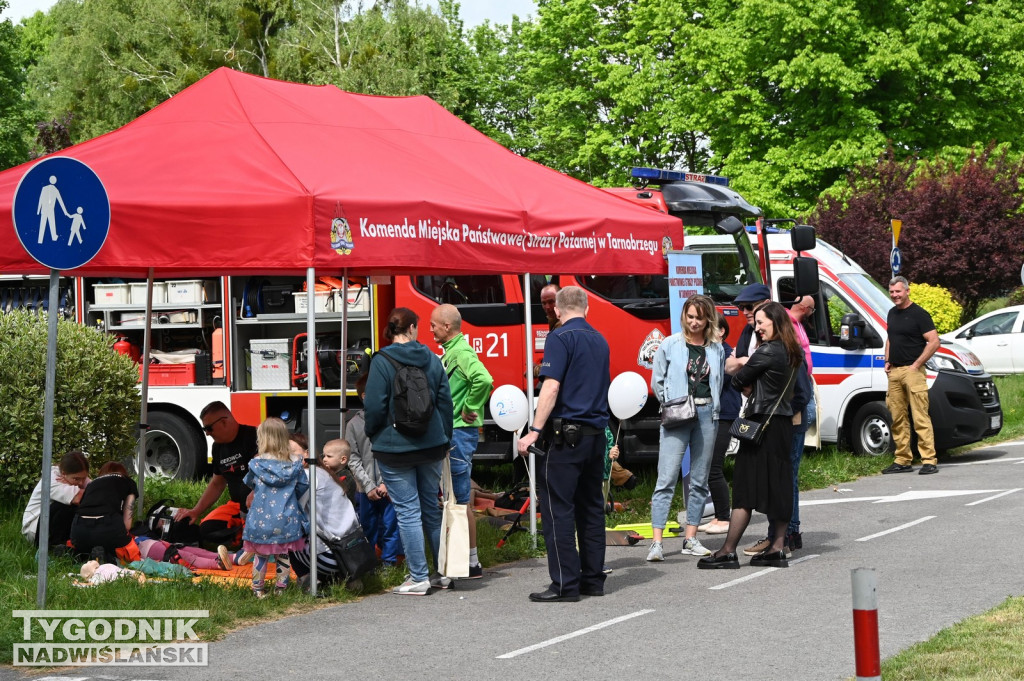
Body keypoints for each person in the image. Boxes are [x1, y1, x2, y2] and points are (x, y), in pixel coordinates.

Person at [518, 286, 609, 603]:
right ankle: (593, 580)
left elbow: (551, 386)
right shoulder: (600, 339)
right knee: (592, 509)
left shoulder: (559, 338)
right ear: (586, 308)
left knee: (558, 510)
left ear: (557, 310)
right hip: (595, 436)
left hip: (565, 438)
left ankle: (564, 585)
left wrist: (534, 429)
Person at [699, 302, 801, 570]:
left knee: (744, 488)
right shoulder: (793, 351)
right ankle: (778, 547)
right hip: (782, 425)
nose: (757, 328)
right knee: (779, 484)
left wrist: (750, 384)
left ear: (775, 322)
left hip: (760, 423)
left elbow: (736, 379)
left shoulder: (766, 351)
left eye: (761, 322)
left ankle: (727, 551)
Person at [364, 307, 453, 596]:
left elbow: (375, 406)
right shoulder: (431, 357)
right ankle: (443, 574)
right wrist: (444, 436)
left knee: (407, 512)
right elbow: (444, 401)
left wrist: (373, 434)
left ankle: (418, 577)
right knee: (431, 507)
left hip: (394, 446)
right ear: (413, 328)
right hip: (431, 445)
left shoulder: (381, 360)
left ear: (391, 331)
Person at [646, 294, 725, 561]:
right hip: (677, 413)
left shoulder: (716, 349)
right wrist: (670, 402)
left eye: (699, 318)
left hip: (706, 413)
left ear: (708, 320)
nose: (693, 322)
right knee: (666, 478)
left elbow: (719, 382)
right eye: (690, 317)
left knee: (700, 479)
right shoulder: (670, 344)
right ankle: (656, 543)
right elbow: (657, 382)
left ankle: (690, 538)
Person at [430, 303, 494, 579]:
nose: (430, 328)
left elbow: (484, 379)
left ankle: (470, 562)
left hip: (458, 432)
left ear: (447, 327)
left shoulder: (461, 352)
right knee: (456, 498)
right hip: (454, 431)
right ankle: (465, 560)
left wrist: (471, 406)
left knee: (459, 500)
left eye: (434, 324)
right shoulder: (452, 351)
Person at [175, 402, 258, 548]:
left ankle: (250, 539)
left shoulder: (254, 437)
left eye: (208, 428)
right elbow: (217, 483)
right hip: (236, 506)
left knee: (247, 486)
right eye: (204, 429)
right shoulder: (217, 447)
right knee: (207, 529)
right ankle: (241, 536)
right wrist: (196, 511)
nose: (207, 433)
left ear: (224, 422)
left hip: (260, 505)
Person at [242, 417, 309, 598]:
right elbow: (304, 485)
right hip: (287, 517)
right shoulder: (295, 463)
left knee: (260, 556)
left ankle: (258, 589)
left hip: (261, 517)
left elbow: (248, 482)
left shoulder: (256, 464)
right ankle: (281, 589)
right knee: (283, 555)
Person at [882, 276, 941, 475]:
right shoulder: (891, 313)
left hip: (913, 371)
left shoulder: (919, 314)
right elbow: (890, 338)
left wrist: (917, 364)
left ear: (907, 291)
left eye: (898, 291)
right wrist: (887, 360)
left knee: (920, 417)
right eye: (891, 292)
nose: (894, 295)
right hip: (895, 372)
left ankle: (929, 460)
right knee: (897, 417)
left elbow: (934, 341)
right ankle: (902, 460)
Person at [290, 439, 363, 592]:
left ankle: (308, 582)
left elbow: (292, 513)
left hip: (333, 557)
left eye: (292, 453)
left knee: (285, 533)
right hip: (355, 551)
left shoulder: (307, 475)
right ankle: (342, 578)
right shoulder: (324, 473)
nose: (287, 458)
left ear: (307, 454)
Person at [346, 372, 403, 565]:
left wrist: (387, 482)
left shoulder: (392, 420)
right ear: (365, 397)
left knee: (391, 527)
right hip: (365, 489)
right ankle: (368, 565)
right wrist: (368, 485)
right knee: (367, 528)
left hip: (390, 486)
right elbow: (353, 458)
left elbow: (397, 453)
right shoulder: (353, 424)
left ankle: (389, 563)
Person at [699, 316, 742, 535]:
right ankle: (719, 516)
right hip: (715, 415)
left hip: (724, 415)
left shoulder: (725, 354)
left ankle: (724, 518)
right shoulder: (713, 353)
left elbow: (713, 383)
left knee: (714, 467)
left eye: (711, 328)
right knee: (709, 468)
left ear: (722, 331)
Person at [785, 295, 818, 552]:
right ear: (806, 308)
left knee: (790, 470)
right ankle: (788, 531)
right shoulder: (786, 323)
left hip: (801, 399)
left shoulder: (797, 325)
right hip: (795, 402)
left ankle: (791, 530)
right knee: (788, 471)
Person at [70, 462, 141, 564]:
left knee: (84, 546)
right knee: (129, 552)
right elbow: (127, 525)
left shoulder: (92, 484)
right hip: (108, 525)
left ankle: (74, 554)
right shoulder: (129, 482)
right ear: (124, 473)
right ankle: (108, 557)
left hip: (78, 528)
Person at [22, 450, 90, 548]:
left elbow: (97, 493)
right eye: (77, 479)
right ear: (63, 473)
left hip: (51, 523)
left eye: (84, 478)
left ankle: (69, 545)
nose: (81, 482)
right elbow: (79, 498)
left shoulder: (74, 475)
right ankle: (54, 546)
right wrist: (84, 491)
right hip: (35, 529)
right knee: (65, 506)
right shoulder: (51, 480)